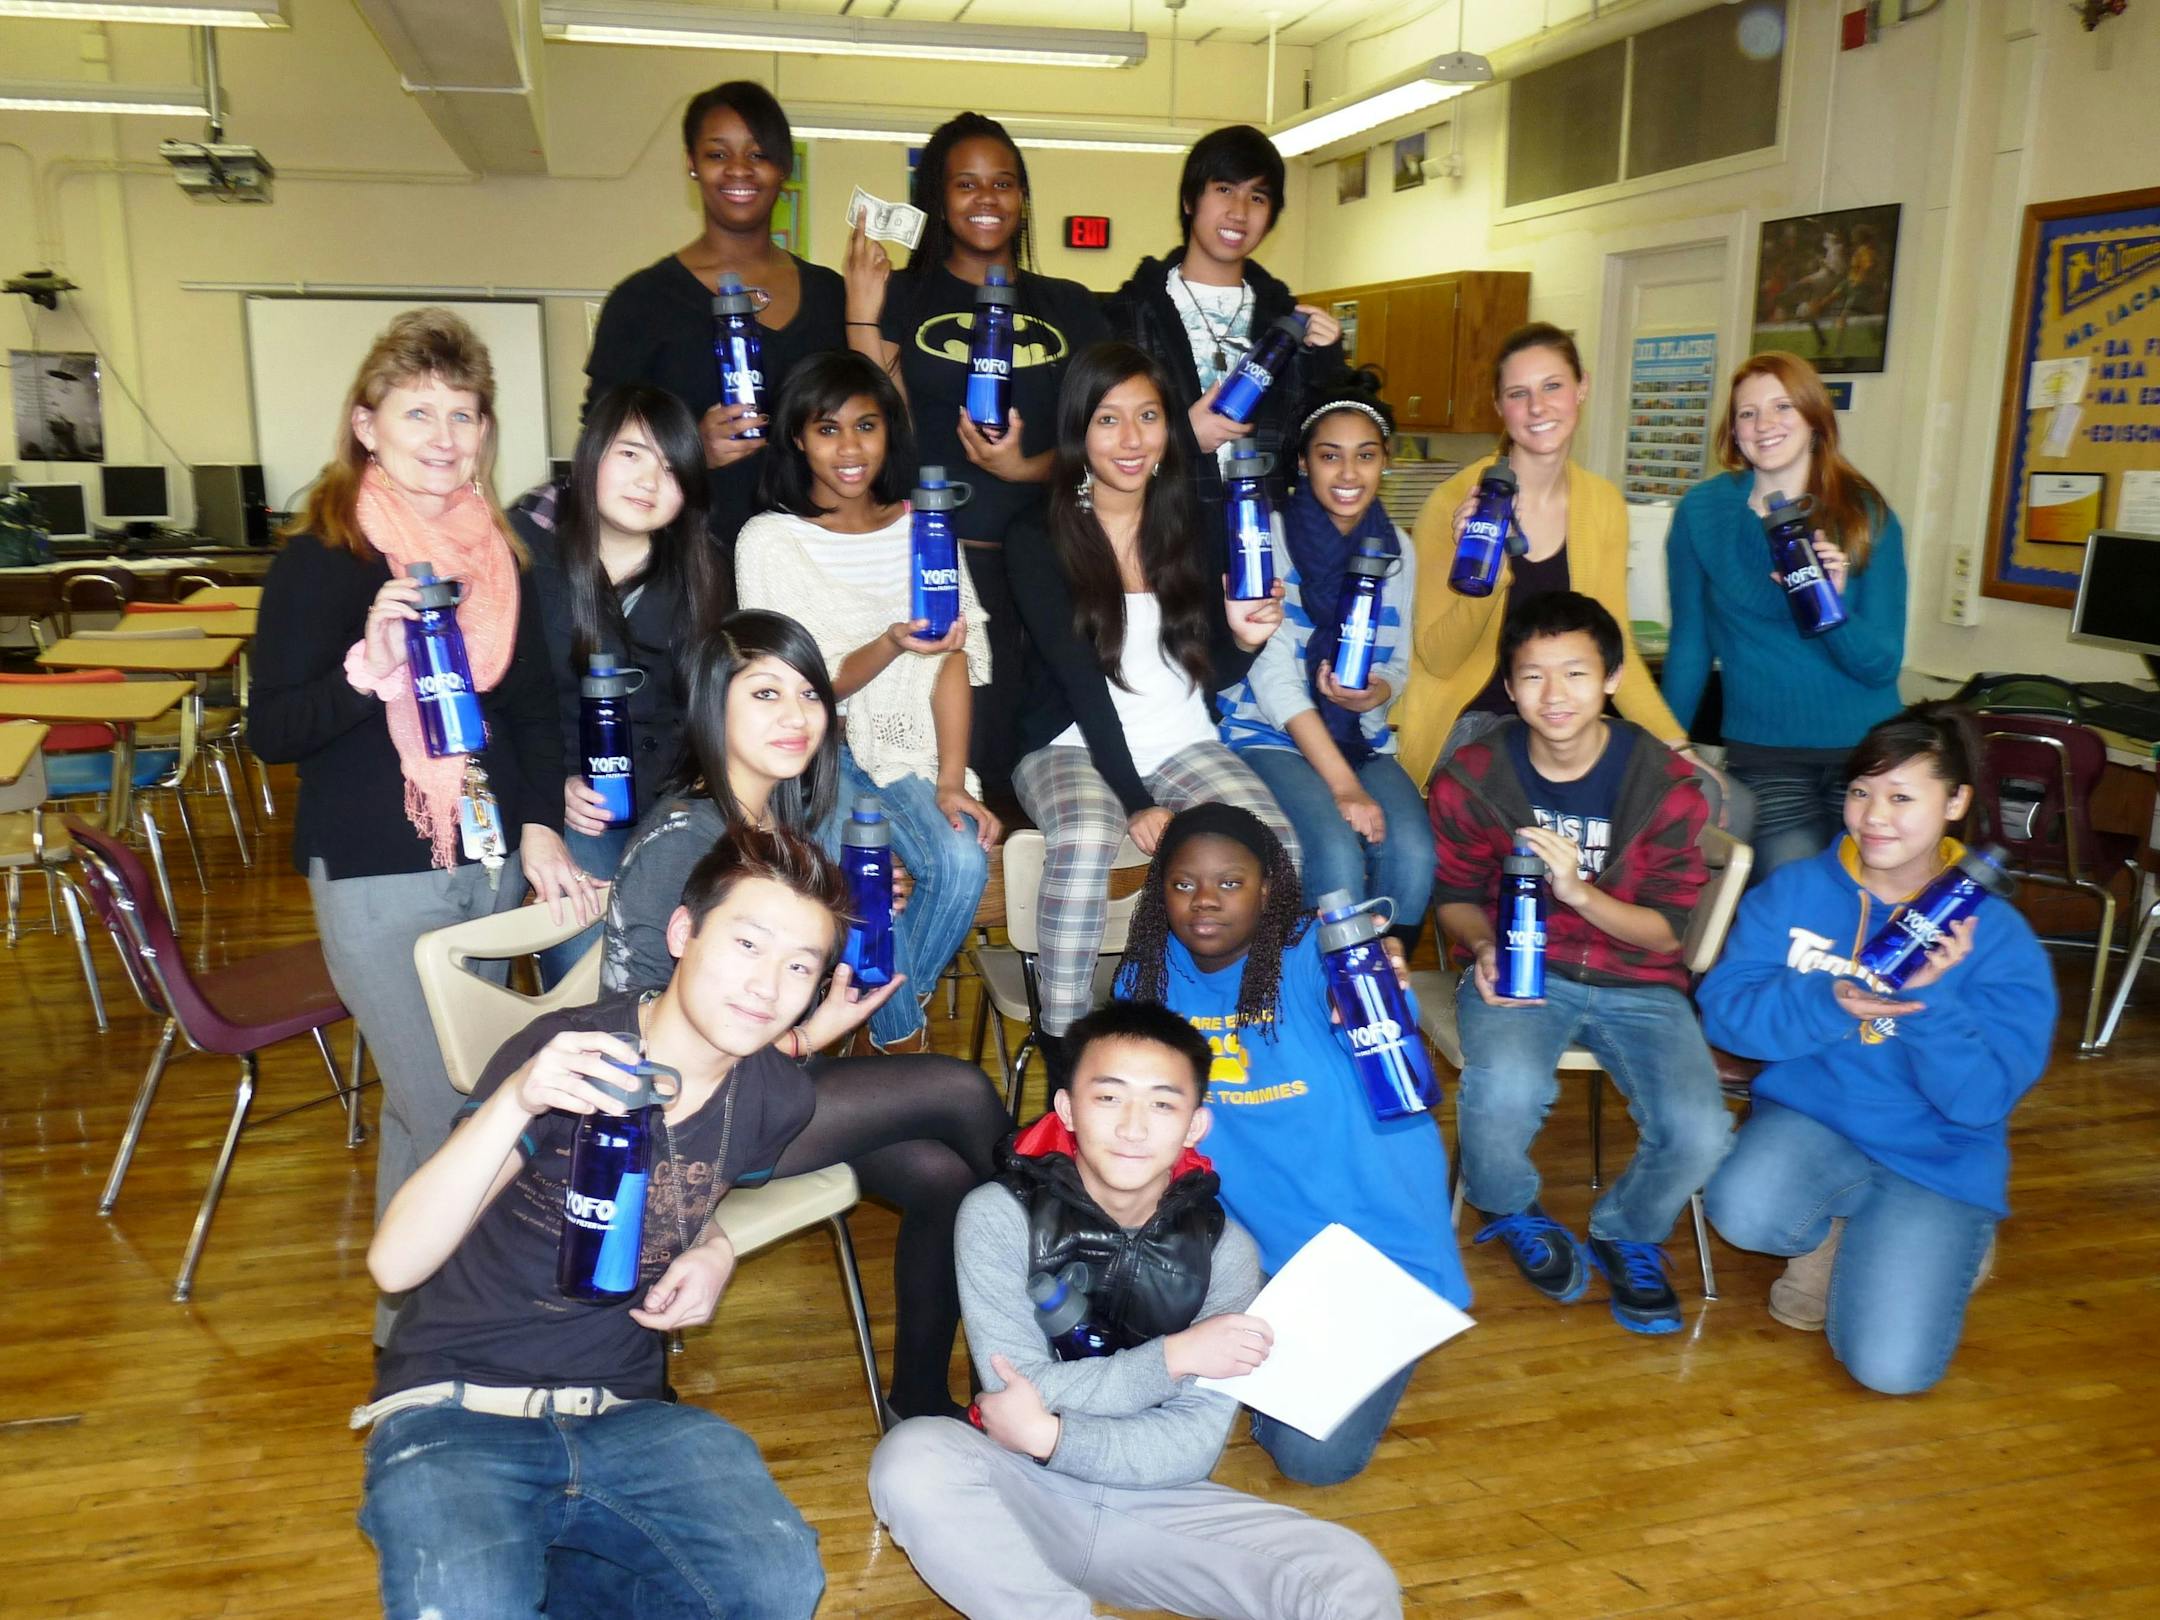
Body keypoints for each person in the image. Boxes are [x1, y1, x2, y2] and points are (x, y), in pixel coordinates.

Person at [354, 830, 832, 1620]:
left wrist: (717, 1250)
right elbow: (395, 1266)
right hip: (456, 1407)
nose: (766, 985)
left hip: (627, 1413)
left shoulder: (778, 1096)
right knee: (470, 1604)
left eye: (798, 966)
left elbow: (698, 1193)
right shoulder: (571, 1052)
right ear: (682, 935)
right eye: (747, 943)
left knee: (777, 1583)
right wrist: (519, 1099)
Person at [248, 308, 595, 1344]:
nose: (445, 437)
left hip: (484, 865)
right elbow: (272, 729)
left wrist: (539, 829)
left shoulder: (502, 559)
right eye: (418, 413)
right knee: (457, 1108)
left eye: (465, 415)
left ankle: (409, 1332)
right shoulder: (325, 558)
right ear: (366, 424)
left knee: (432, 1105)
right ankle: (487, 1323)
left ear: (487, 433)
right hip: (374, 873)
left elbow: (531, 710)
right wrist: (368, 670)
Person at [868, 1000, 1404, 1620]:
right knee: (912, 1458)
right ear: (1066, 1109)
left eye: (1162, 1104)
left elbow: (1193, 1444)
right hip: (1014, 1486)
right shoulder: (999, 1215)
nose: (1133, 1127)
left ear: (1195, 1125)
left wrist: (1053, 1431)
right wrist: (1171, 1359)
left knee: (1349, 1575)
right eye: (1109, 1098)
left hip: (1154, 1504)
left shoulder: (1225, 1252)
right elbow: (1015, 1389)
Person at [601, 609, 1009, 1421]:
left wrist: (839, 922)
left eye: (809, 695)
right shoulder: (688, 834)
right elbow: (642, 1028)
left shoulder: (770, 825)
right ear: (712, 707)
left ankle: (921, 1402)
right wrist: (803, 1035)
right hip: (678, 1117)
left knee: (945, 1176)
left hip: (759, 1079)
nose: (797, 717)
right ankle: (1063, 1275)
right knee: (960, 1092)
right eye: (765, 694)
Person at [1700, 706, 2053, 1394]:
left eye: (1901, 797)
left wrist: (1934, 1000)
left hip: (1936, 1157)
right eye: (1861, 792)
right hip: (1817, 1125)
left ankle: (1943, 1244)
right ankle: (1847, 1235)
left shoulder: (2000, 938)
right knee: (1744, 1207)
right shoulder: (1798, 889)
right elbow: (1727, 1016)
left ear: (1955, 803)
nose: (1873, 816)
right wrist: (1825, 1001)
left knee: (1892, 1373)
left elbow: (1980, 1102)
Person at [1114, 803, 1471, 1485]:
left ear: (1270, 887)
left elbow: (1378, 997)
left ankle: (1386, 1340)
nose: (1205, 903)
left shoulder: (1321, 954)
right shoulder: (1148, 981)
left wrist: (1378, 978)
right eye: (1183, 884)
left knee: (1312, 1459)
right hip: (1244, 1253)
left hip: (1371, 1250)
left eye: (1230, 882)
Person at [1428, 591, 1732, 1335]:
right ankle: (1512, 1206)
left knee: (1699, 1129)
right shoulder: (1473, 775)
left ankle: (1625, 1228)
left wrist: (1578, 892)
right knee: (1500, 1095)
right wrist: (1483, 946)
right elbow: (1456, 895)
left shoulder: (1665, 783)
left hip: (1641, 980)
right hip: (1528, 973)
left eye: (1574, 673)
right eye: (1533, 676)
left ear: (1613, 680)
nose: (1554, 695)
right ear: (1508, 685)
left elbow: (1666, 934)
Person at [1005, 341, 1299, 1084]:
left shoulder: (1188, 528)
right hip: (1071, 740)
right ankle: (1068, 1051)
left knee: (1276, 846)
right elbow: (1081, 683)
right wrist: (1135, 800)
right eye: (1109, 420)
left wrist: (1245, 637)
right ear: (1079, 432)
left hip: (1180, 738)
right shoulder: (1037, 537)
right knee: (1087, 837)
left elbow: (1207, 670)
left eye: (1148, 417)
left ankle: (1237, 1024)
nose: (1131, 440)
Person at [843, 111, 1112, 795]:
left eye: (1004, 183)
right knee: (948, 764)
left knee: (1039, 762)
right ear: (938, 197)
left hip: (1049, 572)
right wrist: (863, 315)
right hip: (937, 572)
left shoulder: (1070, 305)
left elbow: (1113, 443)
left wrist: (1026, 468)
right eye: (966, 184)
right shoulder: (904, 296)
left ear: (1024, 198)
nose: (986, 199)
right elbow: (877, 420)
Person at [736, 351, 997, 1052]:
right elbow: (792, 684)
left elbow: (956, 661)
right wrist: (889, 643)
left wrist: (950, 782)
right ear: (797, 437)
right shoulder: (769, 540)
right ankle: (903, 1045)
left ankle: (868, 1022)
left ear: (891, 433)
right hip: (814, 753)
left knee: (964, 860)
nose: (850, 449)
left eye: (867, 426)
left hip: (910, 748)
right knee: (862, 881)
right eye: (828, 430)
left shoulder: (927, 527)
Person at [1396, 322, 1697, 797]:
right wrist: (1487, 576)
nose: (1538, 407)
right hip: (1469, 724)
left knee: (1687, 794)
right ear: (1499, 407)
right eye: (1519, 393)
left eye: (1553, 386)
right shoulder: (1453, 503)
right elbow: (1437, 659)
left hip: (1562, 722)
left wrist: (1678, 746)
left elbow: (1614, 645)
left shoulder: (1601, 504)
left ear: (1582, 388)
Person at [1661, 352, 1907, 879]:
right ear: (1734, 430)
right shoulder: (1701, 513)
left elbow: (1882, 665)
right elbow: (1690, 645)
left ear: (1815, 419)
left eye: (1781, 407)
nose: (1763, 425)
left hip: (1870, 755)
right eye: (1747, 413)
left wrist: (1833, 609)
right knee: (1789, 886)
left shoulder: (1866, 515)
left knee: (1866, 896)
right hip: (1766, 755)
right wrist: (1669, 746)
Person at [511, 384, 725, 984]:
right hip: (576, 806)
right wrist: (550, 790)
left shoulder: (705, 569)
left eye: (671, 467)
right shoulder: (525, 555)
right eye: (630, 454)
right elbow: (501, 704)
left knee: (705, 948)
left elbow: (709, 705)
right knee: (587, 954)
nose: (649, 482)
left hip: (674, 799)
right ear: (591, 456)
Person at [586, 81, 846, 550]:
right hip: (691, 558)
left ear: (784, 167)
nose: (739, 170)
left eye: (759, 154)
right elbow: (601, 446)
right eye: (717, 154)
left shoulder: (831, 294)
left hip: (817, 553)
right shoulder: (642, 300)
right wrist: (690, 451)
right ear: (691, 163)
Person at [1218, 368, 1433, 926]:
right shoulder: (1266, 537)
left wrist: (1374, 694)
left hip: (1359, 733)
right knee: (1336, 855)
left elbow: (1398, 664)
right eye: (1330, 455)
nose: (1348, 472)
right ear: (1303, 462)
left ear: (1385, 461)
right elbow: (1270, 677)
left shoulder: (1399, 550)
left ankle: (1382, 995)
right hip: (1269, 731)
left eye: (1365, 455)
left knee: (1413, 855)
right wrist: (1343, 786)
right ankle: (1323, 995)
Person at [1103, 123, 1345, 534]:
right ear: (1188, 200)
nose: (1239, 211)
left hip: (1259, 544)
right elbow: (1091, 434)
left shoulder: (1289, 325)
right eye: (1224, 190)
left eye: (1257, 197)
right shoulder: (1126, 315)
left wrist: (1328, 361)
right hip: (1153, 537)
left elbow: (1322, 445)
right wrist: (1180, 436)